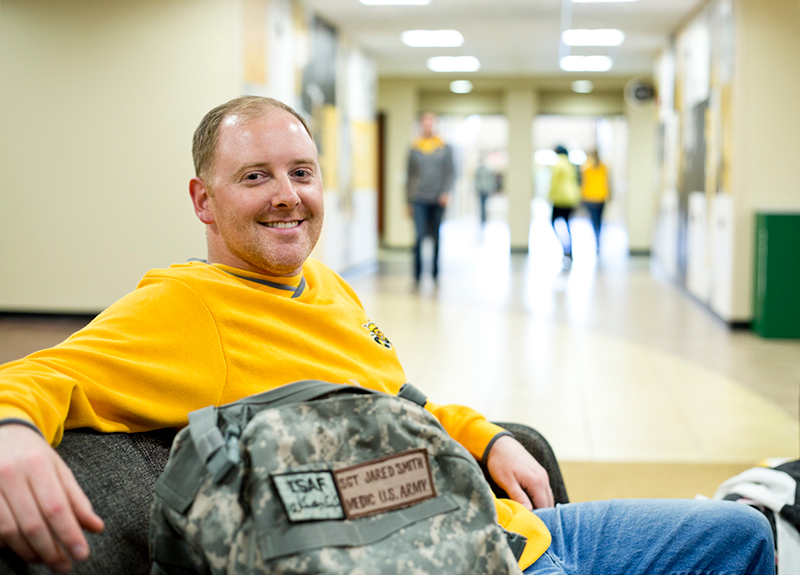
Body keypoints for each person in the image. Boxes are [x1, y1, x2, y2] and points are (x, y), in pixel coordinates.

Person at [0, 97, 774, 575]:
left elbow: (398, 397)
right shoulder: (185, 307)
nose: (287, 196)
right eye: (256, 176)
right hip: (438, 558)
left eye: (301, 172)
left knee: (740, 535)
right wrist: (11, 434)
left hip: (507, 529)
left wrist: (487, 436)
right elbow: (40, 377)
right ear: (203, 201)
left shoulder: (326, 286)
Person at [406, 112, 454, 285]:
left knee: (436, 237)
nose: (428, 126)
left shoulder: (444, 147)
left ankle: (435, 274)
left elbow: (450, 172)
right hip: (418, 198)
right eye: (425, 123)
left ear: (435, 125)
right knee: (419, 237)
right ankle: (417, 276)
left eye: (431, 122)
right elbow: (409, 175)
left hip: (438, 199)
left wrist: (446, 192)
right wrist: (408, 201)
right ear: (421, 125)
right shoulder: (414, 148)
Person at [548, 145, 581, 262]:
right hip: (570, 198)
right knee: (567, 224)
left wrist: (550, 195)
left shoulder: (559, 164)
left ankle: (566, 248)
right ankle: (569, 249)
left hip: (560, 198)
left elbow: (554, 183)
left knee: (553, 222)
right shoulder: (570, 164)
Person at [581, 150, 611, 254]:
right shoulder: (604, 166)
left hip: (590, 197)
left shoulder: (586, 167)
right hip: (601, 196)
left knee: (594, 220)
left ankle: (597, 238)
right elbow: (607, 181)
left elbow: (583, 182)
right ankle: (598, 238)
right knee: (599, 220)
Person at [475, 155, 496, 227]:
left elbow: (490, 180)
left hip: (485, 190)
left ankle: (484, 219)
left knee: (484, 205)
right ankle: (483, 219)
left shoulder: (486, 170)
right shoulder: (479, 170)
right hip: (481, 190)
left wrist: (491, 188)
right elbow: (477, 181)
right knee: (482, 205)